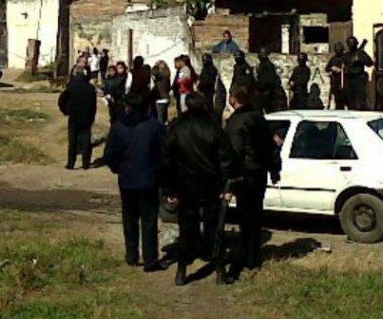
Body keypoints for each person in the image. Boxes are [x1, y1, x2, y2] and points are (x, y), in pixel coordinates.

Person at [160, 92, 235, 286]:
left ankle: (181, 270)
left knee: (186, 229)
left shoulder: (176, 128)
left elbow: (166, 161)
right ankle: (219, 270)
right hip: (211, 185)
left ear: (186, 106)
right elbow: (226, 160)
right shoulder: (213, 128)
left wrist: (169, 189)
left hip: (185, 186)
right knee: (214, 228)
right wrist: (226, 184)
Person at [104, 92, 165, 272]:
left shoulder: (119, 127)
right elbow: (164, 153)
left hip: (128, 180)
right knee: (149, 220)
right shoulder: (154, 127)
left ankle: (131, 255)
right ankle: (150, 259)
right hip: (149, 180)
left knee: (129, 219)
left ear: (128, 107)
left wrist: (119, 169)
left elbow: (109, 155)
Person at [223, 84, 279, 278]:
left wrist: (228, 178)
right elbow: (270, 146)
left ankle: (244, 256)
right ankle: (253, 255)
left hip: (244, 174)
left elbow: (234, 152)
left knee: (245, 218)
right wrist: (274, 169)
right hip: (259, 173)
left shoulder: (236, 121)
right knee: (256, 214)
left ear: (233, 99)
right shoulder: (259, 118)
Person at [59, 66, 97, 170]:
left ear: (75, 74)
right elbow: (94, 104)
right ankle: (86, 164)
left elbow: (61, 100)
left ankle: (71, 163)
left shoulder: (71, 86)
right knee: (86, 140)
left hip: (74, 116)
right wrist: (92, 116)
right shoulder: (90, 87)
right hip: (87, 116)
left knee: (73, 140)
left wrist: (65, 111)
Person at [344, 37, 374, 110]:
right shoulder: (347, 55)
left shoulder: (361, 53)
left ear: (356, 43)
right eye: (349, 43)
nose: (350, 45)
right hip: (349, 79)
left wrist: (360, 59)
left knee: (360, 100)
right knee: (350, 101)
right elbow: (344, 65)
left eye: (352, 42)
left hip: (359, 79)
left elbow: (370, 63)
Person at [326, 42, 348, 110]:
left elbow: (349, 67)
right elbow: (327, 68)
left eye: (339, 48)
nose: (338, 50)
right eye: (337, 48)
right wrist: (332, 68)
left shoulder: (346, 57)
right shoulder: (333, 58)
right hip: (335, 81)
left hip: (344, 82)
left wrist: (341, 70)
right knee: (337, 100)